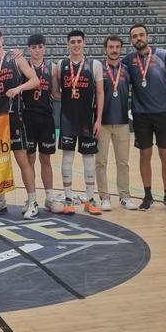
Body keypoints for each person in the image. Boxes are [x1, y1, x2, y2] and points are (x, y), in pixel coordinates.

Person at [124, 23, 166, 213]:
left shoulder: (163, 55)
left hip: (163, 113)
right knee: (145, 155)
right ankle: (147, 195)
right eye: (134, 36)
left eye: (141, 35)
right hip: (140, 115)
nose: (138, 38)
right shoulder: (129, 60)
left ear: (148, 36)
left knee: (165, 154)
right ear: (131, 40)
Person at [0, 26, 40, 219]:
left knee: (22, 161)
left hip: (15, 116)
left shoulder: (15, 58)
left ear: (1, 39)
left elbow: (35, 80)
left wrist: (18, 88)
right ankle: (0, 202)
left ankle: (32, 201)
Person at [54, 30, 104, 215]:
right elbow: (56, 92)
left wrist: (98, 119)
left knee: (89, 160)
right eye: (72, 42)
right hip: (67, 119)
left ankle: (90, 199)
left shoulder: (94, 64)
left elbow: (100, 93)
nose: (76, 44)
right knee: (67, 159)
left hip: (87, 119)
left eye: (79, 41)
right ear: (67, 44)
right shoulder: (61, 65)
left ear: (84, 43)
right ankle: (68, 199)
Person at [95, 35, 138, 211]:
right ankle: (104, 197)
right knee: (101, 163)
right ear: (105, 49)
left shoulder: (127, 70)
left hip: (122, 123)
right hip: (102, 124)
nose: (114, 50)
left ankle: (125, 197)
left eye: (117, 47)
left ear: (121, 49)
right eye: (111, 47)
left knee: (123, 163)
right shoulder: (98, 69)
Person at [22, 34, 59, 213]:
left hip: (46, 117)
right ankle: (32, 199)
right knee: (29, 159)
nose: (37, 50)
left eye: (40, 47)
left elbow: (56, 94)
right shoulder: (23, 67)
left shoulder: (52, 68)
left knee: (46, 158)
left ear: (44, 48)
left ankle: (49, 197)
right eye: (33, 47)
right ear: (29, 49)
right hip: (27, 116)